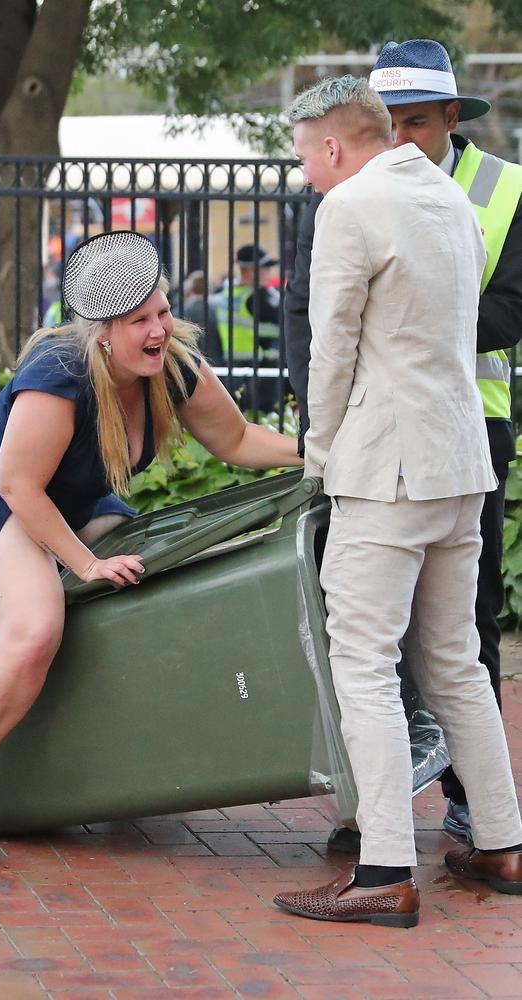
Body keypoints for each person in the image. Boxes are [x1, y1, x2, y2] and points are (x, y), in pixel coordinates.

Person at [0, 229, 302, 873]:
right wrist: (84, 564)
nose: (159, 331)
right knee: (37, 625)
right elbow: (17, 484)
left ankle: (120, 753)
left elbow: (237, 440)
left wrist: (326, 453)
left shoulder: (173, 362)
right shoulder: (61, 375)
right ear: (101, 330)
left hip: (71, 499)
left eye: (161, 312)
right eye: (139, 321)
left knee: (157, 578)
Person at [273, 76, 522, 929]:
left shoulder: (349, 208)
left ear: (334, 146)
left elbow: (330, 347)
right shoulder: (448, 195)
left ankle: (384, 867)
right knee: (454, 661)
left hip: (389, 472)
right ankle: (501, 841)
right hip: (461, 468)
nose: (306, 174)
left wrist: (319, 450)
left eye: (306, 156)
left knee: (364, 663)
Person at [213, 244, 281, 412]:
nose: (269, 272)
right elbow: (284, 323)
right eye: (265, 267)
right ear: (251, 270)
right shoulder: (258, 296)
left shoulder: (229, 294)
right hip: (262, 368)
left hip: (233, 367)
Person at [180, 270, 223, 365]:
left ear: (191, 288)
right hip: (217, 360)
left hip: (191, 362)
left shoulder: (183, 310)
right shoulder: (218, 309)